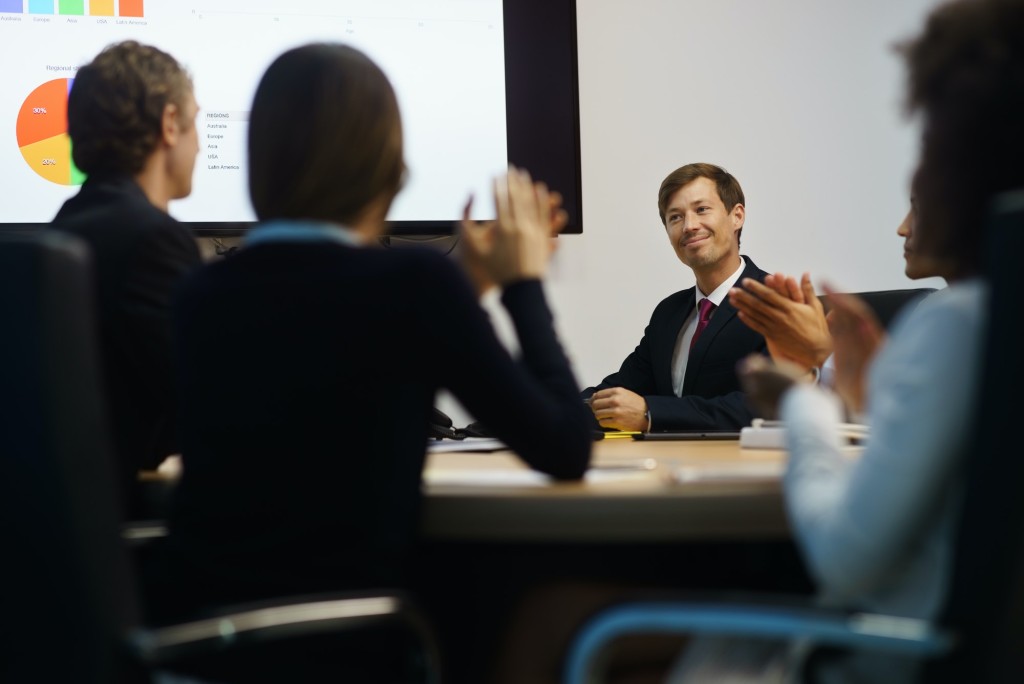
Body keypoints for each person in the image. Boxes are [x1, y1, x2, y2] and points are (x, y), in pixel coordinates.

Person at [154, 43, 592, 624]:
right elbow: (565, 447)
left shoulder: (197, 296)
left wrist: (464, 289)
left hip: (209, 642)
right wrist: (523, 283)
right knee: (556, 612)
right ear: (388, 164)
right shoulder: (416, 286)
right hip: (355, 642)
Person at [668, 0, 1023, 680]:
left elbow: (843, 554)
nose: (902, 220)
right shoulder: (985, 323)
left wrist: (802, 398)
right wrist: (858, 386)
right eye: (674, 216)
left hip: (871, 655)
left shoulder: (955, 325)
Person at [50, 41, 201, 517]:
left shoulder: (64, 231)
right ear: (170, 124)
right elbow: (214, 403)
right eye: (197, 122)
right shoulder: (151, 241)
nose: (199, 144)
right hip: (123, 545)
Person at [583, 163, 770, 432]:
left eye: (701, 209)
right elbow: (620, 391)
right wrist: (548, 409)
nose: (689, 226)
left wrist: (651, 414)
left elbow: (764, 406)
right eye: (675, 217)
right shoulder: (668, 313)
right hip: (667, 466)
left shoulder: (775, 301)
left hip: (742, 469)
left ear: (737, 216)